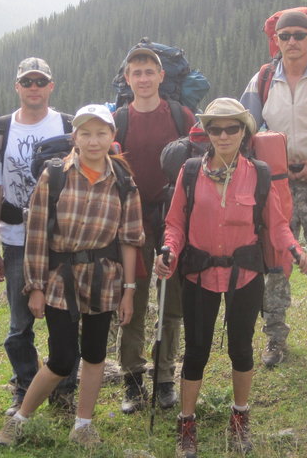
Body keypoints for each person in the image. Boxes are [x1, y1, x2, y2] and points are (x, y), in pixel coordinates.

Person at [154, 98, 307, 457]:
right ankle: (186, 424)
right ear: (207, 133)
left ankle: (240, 418)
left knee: (241, 350)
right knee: (195, 352)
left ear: (244, 131)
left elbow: (277, 225)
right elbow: (176, 223)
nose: (224, 135)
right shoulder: (191, 171)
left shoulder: (257, 173)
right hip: (198, 273)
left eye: (232, 128)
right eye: (215, 128)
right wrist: (169, 251)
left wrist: (296, 251)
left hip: (245, 276)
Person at [0, 104, 144, 448]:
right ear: (74, 136)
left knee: (94, 353)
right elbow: (37, 236)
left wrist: (129, 290)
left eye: (101, 133)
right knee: (62, 357)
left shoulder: (123, 182)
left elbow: (130, 238)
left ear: (112, 136)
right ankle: (19, 420)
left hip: (104, 278)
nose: (93, 141)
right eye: (86, 133)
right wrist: (35, 286)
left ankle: (83, 425)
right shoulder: (55, 175)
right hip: (61, 278)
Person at [0, 57, 77, 415]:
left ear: (51, 86)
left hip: (63, 240)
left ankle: (65, 389)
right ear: (17, 87)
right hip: (17, 237)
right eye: (27, 81)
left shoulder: (68, 126)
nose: (34, 87)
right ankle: (25, 386)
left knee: (65, 318)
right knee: (19, 324)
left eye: (41, 81)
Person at [240, 9, 307, 364]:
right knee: (276, 263)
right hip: (277, 186)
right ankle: (275, 341)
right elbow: (244, 129)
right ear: (276, 41)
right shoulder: (264, 79)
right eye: (285, 36)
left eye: (299, 35)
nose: (292, 42)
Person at [114, 46, 194, 413]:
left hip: (172, 221)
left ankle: (165, 378)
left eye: (149, 72)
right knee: (131, 300)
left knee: (171, 302)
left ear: (162, 76)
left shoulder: (181, 116)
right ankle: (132, 381)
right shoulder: (118, 120)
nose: (143, 79)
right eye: (137, 73)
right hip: (130, 224)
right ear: (127, 79)